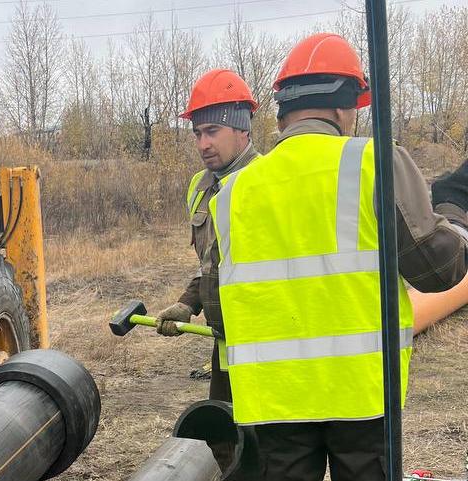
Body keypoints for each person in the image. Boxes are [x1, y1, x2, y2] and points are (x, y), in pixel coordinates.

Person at [210, 33, 468, 481]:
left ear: (283, 111)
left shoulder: (233, 192)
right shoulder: (374, 161)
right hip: (361, 395)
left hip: (274, 402)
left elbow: (217, 308)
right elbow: (438, 271)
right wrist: (453, 215)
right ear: (345, 106)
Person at [155, 68, 260, 404]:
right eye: (197, 133)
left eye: (212, 131)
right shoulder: (201, 189)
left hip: (270, 345)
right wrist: (187, 304)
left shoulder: (268, 183)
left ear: (243, 128)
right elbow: (212, 264)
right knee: (227, 442)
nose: (203, 144)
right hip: (226, 344)